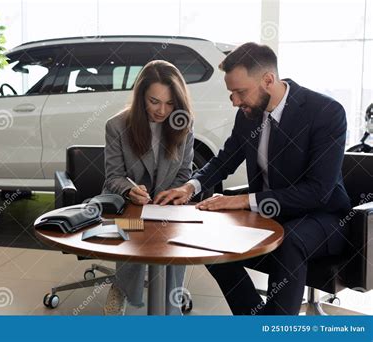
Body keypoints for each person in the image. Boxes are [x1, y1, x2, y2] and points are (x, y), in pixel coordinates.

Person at [154, 42, 351, 315]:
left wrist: (244, 201)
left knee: (289, 240)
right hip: (271, 214)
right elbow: (225, 159)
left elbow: (319, 192)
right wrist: (190, 186)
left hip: (324, 217)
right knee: (208, 238)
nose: (234, 100)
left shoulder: (325, 112)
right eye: (231, 92)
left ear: (268, 80)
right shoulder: (248, 116)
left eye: (240, 92)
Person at [102, 60, 194, 315]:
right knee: (132, 232)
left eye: (170, 103)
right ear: (141, 96)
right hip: (130, 206)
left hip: (166, 208)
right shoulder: (117, 126)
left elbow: (185, 174)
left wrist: (174, 193)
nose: (162, 110)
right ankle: (122, 290)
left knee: (174, 239)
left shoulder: (184, 124)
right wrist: (129, 190)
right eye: (154, 101)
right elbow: (113, 176)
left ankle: (171, 307)